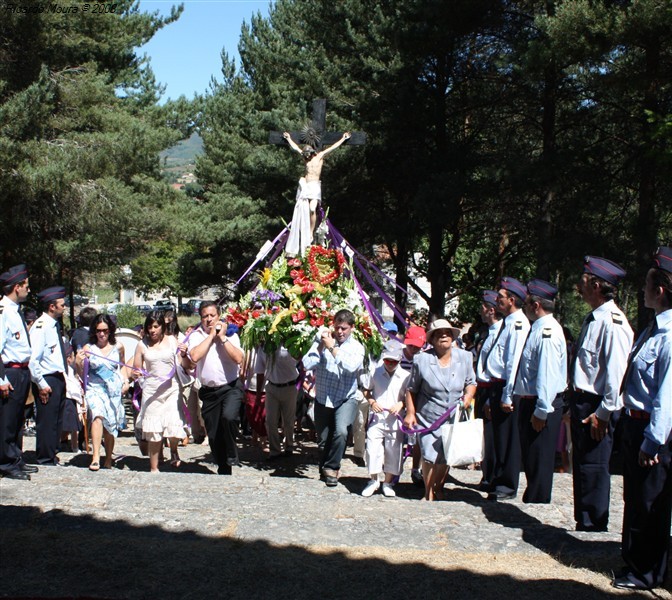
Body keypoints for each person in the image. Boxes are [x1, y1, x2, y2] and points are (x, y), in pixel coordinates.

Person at [612, 247, 672, 591]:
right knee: (635, 499)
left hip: (652, 428)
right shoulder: (654, 329)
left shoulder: (669, 336)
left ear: (660, 289)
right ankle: (635, 563)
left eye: (648, 282)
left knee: (650, 504)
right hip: (635, 422)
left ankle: (647, 571)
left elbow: (667, 396)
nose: (644, 289)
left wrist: (653, 440)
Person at [570, 256, 633, 531]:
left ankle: (594, 524)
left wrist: (604, 413)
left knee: (594, 465)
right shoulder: (594, 318)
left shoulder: (613, 322)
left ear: (596, 285)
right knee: (584, 464)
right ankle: (585, 520)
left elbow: (617, 375)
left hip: (597, 405)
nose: (579, 286)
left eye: (583, 281)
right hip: (584, 401)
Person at [404, 319, 476, 501]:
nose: (443, 336)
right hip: (428, 416)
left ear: (452, 337)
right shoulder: (422, 360)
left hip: (453, 416)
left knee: (445, 457)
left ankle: (439, 487)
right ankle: (428, 491)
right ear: (432, 339)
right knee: (429, 456)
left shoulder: (465, 357)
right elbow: (411, 389)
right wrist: (411, 413)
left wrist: (467, 397)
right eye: (438, 333)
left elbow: (471, 383)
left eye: (446, 333)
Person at [514, 279, 568, 503]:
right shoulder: (539, 329)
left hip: (540, 403)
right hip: (532, 401)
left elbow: (547, 374)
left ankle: (538, 502)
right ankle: (534, 497)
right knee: (532, 458)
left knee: (539, 459)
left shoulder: (547, 332)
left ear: (536, 305)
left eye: (526, 303)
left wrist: (542, 410)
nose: (524, 307)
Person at [302, 309, 365, 487]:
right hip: (323, 397)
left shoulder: (357, 348)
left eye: (344, 328)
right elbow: (306, 364)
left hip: (346, 398)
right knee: (324, 440)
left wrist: (332, 347)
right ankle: (326, 466)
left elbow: (351, 367)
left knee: (342, 432)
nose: (340, 332)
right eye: (337, 327)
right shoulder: (321, 342)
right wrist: (321, 346)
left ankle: (332, 467)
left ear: (352, 328)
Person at [484, 276, 531, 501]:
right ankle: (498, 478)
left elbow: (513, 362)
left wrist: (508, 394)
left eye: (500, 297)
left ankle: (507, 484)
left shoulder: (519, 324)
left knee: (509, 438)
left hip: (506, 386)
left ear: (512, 300)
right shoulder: (508, 322)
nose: (497, 301)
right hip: (497, 385)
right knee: (499, 437)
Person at [185, 302, 244, 475]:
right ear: (201, 318)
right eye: (205, 316)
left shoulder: (231, 333)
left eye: (212, 315)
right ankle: (223, 466)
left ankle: (232, 454)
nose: (209, 319)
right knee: (213, 433)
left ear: (219, 316)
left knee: (230, 417)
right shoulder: (197, 336)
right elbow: (194, 356)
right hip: (209, 392)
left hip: (230, 387)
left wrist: (222, 338)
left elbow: (238, 358)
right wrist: (211, 337)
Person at [133, 311, 190, 473]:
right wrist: (137, 373)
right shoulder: (141, 345)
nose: (153, 330)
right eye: (150, 327)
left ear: (163, 327)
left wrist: (185, 353)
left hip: (171, 388)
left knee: (173, 423)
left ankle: (173, 450)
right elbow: (136, 368)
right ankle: (154, 467)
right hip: (151, 391)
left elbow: (183, 364)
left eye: (156, 326)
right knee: (153, 429)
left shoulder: (172, 341)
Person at [282, 130, 351, 256]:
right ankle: (304, 233)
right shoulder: (305, 159)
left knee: (312, 209)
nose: (306, 157)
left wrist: (343, 138)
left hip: (314, 186)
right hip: (305, 186)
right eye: (305, 155)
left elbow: (332, 148)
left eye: (308, 155)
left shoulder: (319, 157)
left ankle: (310, 232)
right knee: (303, 210)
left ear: (312, 153)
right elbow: (296, 148)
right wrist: (288, 139)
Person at [76, 314, 129, 471]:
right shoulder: (89, 349)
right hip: (95, 387)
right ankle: (96, 457)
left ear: (110, 331)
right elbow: (81, 373)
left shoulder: (118, 347)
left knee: (110, 423)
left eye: (105, 330)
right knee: (98, 416)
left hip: (112, 389)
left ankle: (108, 457)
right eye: (98, 331)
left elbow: (123, 367)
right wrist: (78, 362)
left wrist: (125, 381)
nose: (102, 334)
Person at [0, 264, 36, 480]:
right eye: (26, 286)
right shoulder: (3, 312)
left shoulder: (15, 311)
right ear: (17, 286)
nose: (28, 290)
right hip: (10, 372)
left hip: (22, 371)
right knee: (7, 420)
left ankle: (15, 458)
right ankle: (5, 462)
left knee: (17, 419)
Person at [362, 341, 410, 498]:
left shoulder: (405, 376)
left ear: (399, 360)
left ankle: (388, 482)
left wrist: (401, 404)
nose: (390, 364)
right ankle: (373, 479)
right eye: (387, 360)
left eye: (394, 361)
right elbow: (366, 390)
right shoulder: (375, 372)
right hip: (377, 418)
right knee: (372, 448)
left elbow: (409, 397)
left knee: (394, 450)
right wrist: (372, 402)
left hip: (396, 420)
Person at [29, 286, 68, 466]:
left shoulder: (53, 326)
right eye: (62, 304)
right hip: (47, 378)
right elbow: (33, 360)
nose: (65, 307)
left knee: (56, 420)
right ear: (52, 306)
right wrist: (41, 383)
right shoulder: (41, 327)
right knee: (47, 420)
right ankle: (45, 457)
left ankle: (52, 453)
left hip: (58, 377)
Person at [474, 290, 503, 490]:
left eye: (483, 307)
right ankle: (487, 473)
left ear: (491, 310)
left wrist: (487, 400)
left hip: (491, 389)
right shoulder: (489, 332)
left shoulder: (501, 332)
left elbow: (498, 368)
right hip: (482, 389)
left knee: (491, 436)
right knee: (484, 436)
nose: (480, 311)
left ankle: (492, 476)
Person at [255, 345, 299, 460]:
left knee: (289, 421)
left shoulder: (289, 346)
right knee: (270, 421)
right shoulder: (263, 348)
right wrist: (259, 393)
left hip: (289, 386)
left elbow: (299, 358)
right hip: (271, 387)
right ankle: (275, 451)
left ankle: (289, 446)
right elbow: (260, 371)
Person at [400, 325, 427, 487]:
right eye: (410, 345)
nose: (413, 349)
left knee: (417, 438)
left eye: (417, 347)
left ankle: (415, 469)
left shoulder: (423, 358)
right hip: (397, 401)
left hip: (416, 402)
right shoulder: (396, 356)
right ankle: (393, 468)